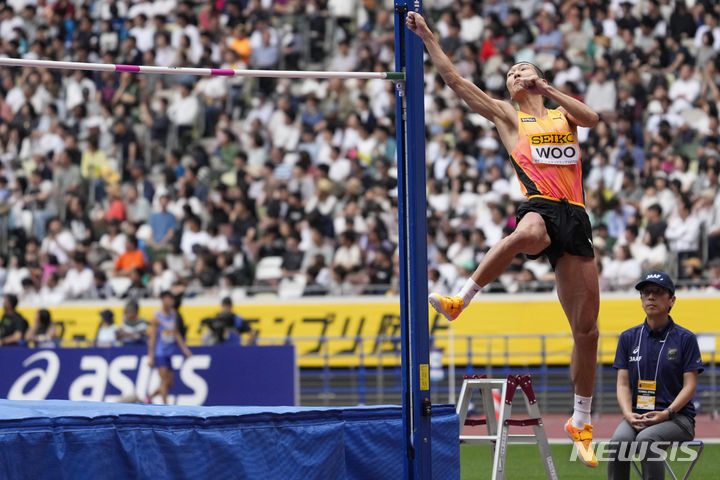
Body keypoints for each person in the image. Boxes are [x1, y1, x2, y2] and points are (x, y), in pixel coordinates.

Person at [407, 12, 601, 466]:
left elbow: (592, 118)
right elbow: (456, 81)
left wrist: (547, 89)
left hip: (576, 216)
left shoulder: (560, 113)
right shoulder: (507, 115)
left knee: (587, 332)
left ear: (539, 76)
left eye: (522, 69)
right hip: (541, 205)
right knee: (529, 230)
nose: (515, 74)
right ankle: (462, 298)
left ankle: (581, 420)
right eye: (511, 72)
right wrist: (429, 38)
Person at [608, 271, 703, 480]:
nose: (651, 297)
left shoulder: (685, 339)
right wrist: (628, 414)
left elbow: (690, 386)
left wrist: (667, 413)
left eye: (658, 292)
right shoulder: (628, 338)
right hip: (638, 415)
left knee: (646, 440)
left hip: (677, 418)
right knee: (617, 444)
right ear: (641, 300)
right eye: (646, 292)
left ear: (672, 300)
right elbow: (623, 384)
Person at [146, 290, 192, 404]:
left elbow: (176, 333)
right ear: (163, 300)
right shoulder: (157, 316)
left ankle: (149, 398)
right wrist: (151, 356)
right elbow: (153, 337)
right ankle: (165, 406)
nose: (172, 301)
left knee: (170, 382)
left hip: (169, 352)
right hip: (160, 352)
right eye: (169, 299)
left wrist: (185, 349)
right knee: (164, 381)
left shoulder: (173, 314)